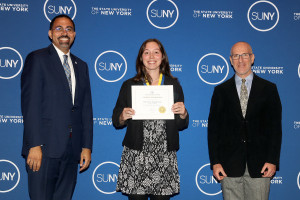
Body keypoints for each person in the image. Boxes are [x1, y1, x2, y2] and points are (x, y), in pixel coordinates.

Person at [21, 14, 93, 200]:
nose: (64, 32)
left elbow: (85, 109)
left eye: (69, 29)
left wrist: (86, 146)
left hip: (72, 150)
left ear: (74, 35)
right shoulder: (37, 59)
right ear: (50, 34)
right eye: (59, 28)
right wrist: (34, 144)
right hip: (43, 150)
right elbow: (30, 105)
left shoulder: (81, 66)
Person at [112, 39, 189, 200]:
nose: (151, 56)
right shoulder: (129, 85)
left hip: (164, 155)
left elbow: (181, 124)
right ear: (141, 57)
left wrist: (183, 114)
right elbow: (116, 119)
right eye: (146, 52)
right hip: (136, 153)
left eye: (156, 52)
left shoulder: (173, 85)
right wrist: (122, 116)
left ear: (162, 57)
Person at [207, 41, 282, 200]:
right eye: (236, 56)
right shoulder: (220, 91)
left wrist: (272, 160)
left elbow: (275, 129)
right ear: (230, 60)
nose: (240, 60)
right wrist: (215, 162)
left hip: (261, 165)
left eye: (245, 55)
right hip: (229, 166)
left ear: (252, 58)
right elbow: (213, 130)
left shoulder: (269, 89)